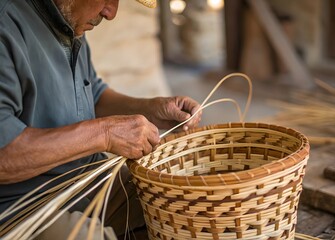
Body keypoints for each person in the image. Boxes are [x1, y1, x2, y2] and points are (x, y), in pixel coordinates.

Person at [0, 0, 202, 238]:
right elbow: (5, 157)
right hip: (21, 204)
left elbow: (91, 94)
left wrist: (150, 109)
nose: (111, 12)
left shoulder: (68, 20)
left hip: (84, 179)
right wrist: (104, 134)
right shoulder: (6, 24)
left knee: (177, 203)